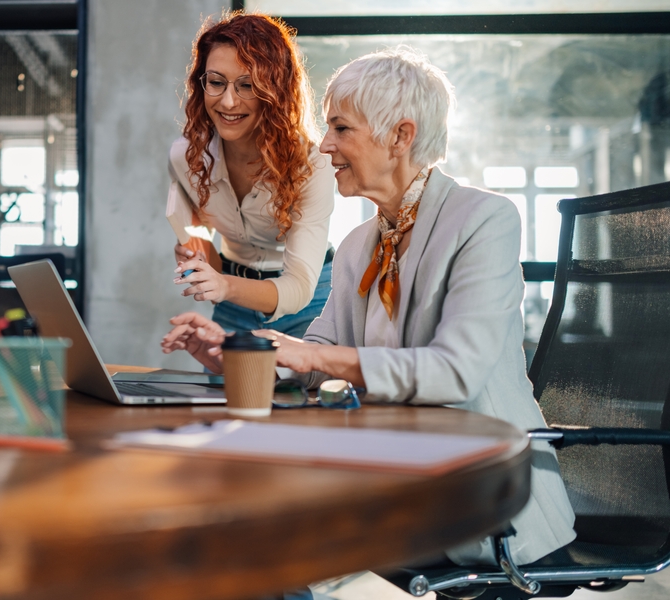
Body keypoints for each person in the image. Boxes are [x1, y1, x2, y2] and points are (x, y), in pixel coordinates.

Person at [163, 46, 576, 567]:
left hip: (487, 499)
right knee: (248, 525)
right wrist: (241, 359)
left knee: (268, 532)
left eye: (341, 129)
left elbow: (456, 373)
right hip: (401, 477)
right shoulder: (361, 242)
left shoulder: (483, 219)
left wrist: (311, 359)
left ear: (400, 137)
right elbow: (316, 355)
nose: (324, 145)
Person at [170, 12, 335, 339]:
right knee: (224, 390)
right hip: (232, 301)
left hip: (311, 301)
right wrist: (199, 256)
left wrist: (223, 285)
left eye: (247, 85)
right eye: (216, 82)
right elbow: (203, 248)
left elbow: (299, 285)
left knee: (298, 390)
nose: (228, 101)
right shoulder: (186, 157)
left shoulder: (314, 164)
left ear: (275, 91)